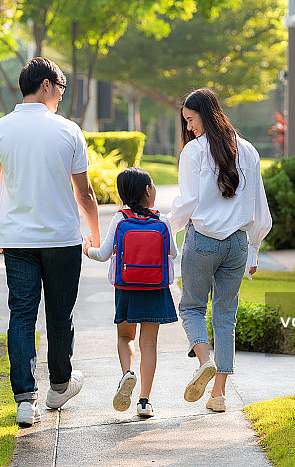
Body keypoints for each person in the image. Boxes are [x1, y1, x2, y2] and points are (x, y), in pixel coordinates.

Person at [0, 57, 101, 427]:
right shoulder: (68, 131)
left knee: (22, 314)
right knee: (60, 315)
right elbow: (85, 193)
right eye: (60, 90)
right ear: (47, 84)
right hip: (62, 239)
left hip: (17, 240)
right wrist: (94, 232)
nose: (61, 98)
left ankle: (24, 400)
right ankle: (60, 386)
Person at [168, 87, 272, 413]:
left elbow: (187, 202)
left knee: (191, 309)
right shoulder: (250, 151)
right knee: (226, 318)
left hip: (202, 241)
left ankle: (204, 361)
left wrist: (166, 228)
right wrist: (253, 251)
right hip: (238, 244)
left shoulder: (194, 152)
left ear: (205, 114)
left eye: (190, 119)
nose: (188, 127)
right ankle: (218, 395)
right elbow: (260, 209)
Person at [84, 167, 178, 418]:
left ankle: (127, 373)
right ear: (148, 190)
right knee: (149, 344)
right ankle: (144, 401)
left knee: (126, 337)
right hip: (155, 287)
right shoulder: (162, 220)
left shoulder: (120, 219)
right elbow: (173, 254)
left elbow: (103, 254)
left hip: (126, 286)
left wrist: (86, 250)